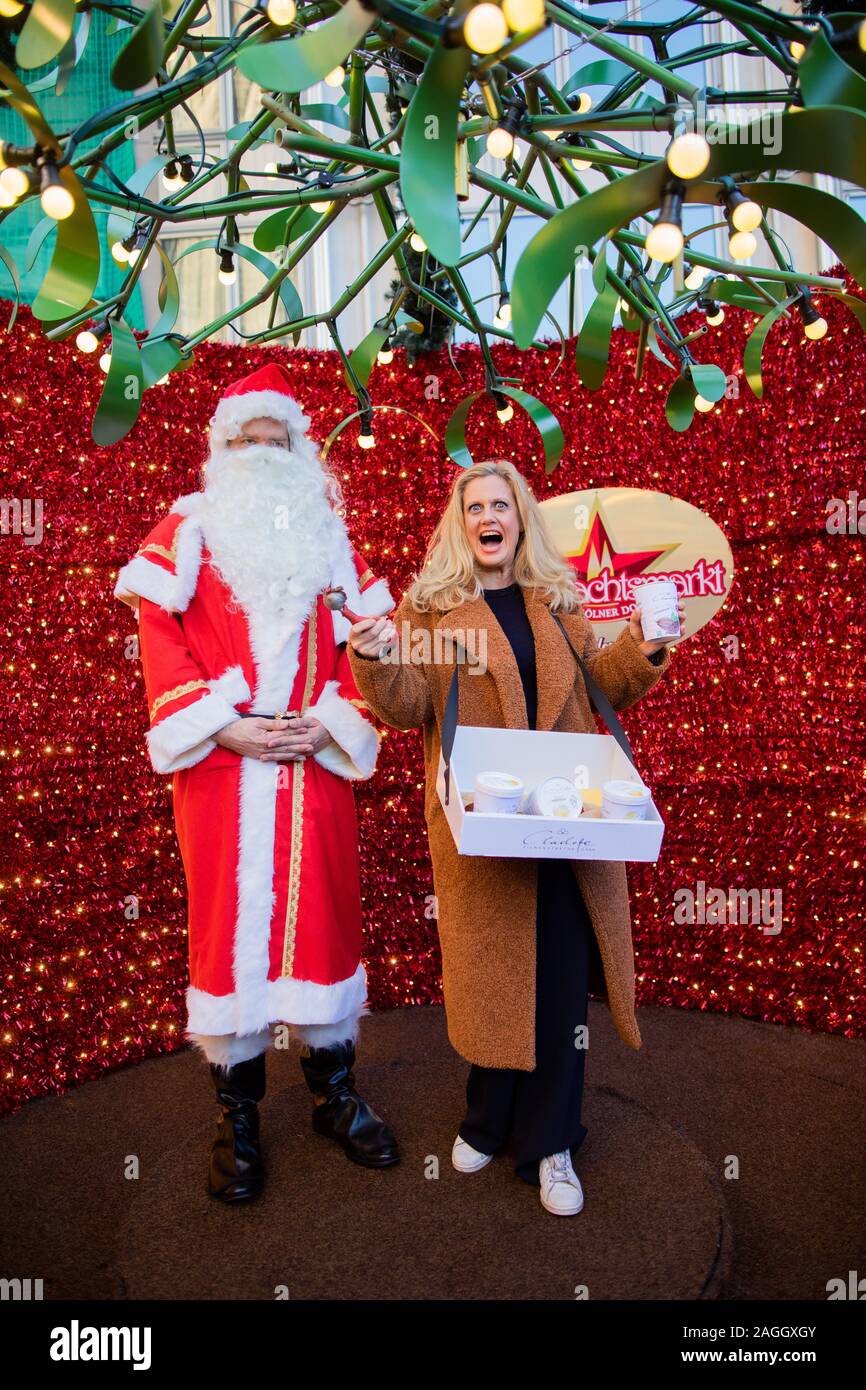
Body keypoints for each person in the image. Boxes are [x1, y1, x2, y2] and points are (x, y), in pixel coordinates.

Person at [346, 459, 682, 1216]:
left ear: (521, 519)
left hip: (566, 823)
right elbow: (404, 707)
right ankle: (487, 1120)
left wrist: (647, 641)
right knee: (492, 978)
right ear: (460, 524)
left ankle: (552, 1143)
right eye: (476, 507)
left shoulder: (560, 602)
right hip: (482, 827)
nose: (489, 516)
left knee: (560, 982)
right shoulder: (431, 610)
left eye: (502, 504)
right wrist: (374, 656)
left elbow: (609, 681)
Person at [114, 361, 400, 1203]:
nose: (263, 453)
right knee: (226, 928)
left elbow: (368, 645)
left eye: (278, 441)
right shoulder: (186, 528)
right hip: (223, 771)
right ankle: (235, 1118)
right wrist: (221, 724)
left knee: (324, 918)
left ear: (299, 449)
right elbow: (159, 636)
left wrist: (336, 720)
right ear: (221, 449)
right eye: (247, 440)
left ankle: (334, 1099)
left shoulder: (328, 533)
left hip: (313, 764)